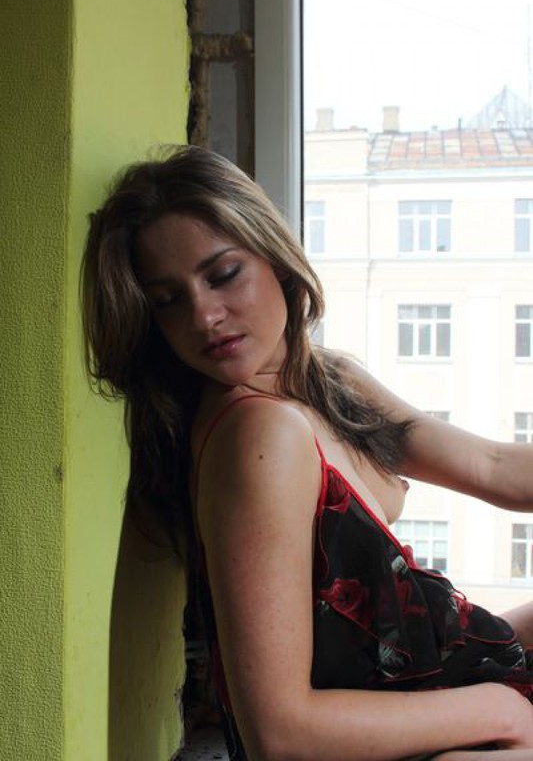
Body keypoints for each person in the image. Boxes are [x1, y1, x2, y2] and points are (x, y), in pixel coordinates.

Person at [82, 144, 533, 761]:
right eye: (168, 300)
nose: (204, 316)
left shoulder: (327, 381)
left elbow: (495, 468)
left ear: (277, 258)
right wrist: (500, 709)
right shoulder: (256, 434)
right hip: (426, 729)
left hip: (449, 676)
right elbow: (279, 733)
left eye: (222, 274)